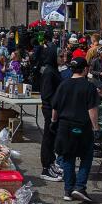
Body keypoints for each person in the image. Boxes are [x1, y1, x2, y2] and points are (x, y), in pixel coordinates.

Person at [49, 57, 100, 203]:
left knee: (68, 157)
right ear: (85, 69)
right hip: (82, 127)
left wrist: (53, 121)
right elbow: (92, 109)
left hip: (65, 126)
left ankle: (68, 190)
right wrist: (96, 128)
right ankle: (80, 187)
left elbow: (55, 107)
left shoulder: (63, 84)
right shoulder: (89, 87)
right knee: (86, 157)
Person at [39, 50, 64, 182]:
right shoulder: (49, 71)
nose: (63, 58)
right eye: (60, 56)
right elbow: (47, 94)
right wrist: (56, 105)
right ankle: (46, 167)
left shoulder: (54, 70)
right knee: (48, 138)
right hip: (50, 109)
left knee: (52, 137)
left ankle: (51, 163)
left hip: (55, 109)